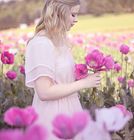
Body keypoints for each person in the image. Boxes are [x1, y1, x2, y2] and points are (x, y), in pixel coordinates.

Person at [25, 0, 101, 139]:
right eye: (73, 14)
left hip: (70, 108)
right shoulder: (41, 43)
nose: (76, 20)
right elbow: (45, 92)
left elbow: (60, 78)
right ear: (59, 12)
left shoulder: (59, 40)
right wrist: (84, 84)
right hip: (53, 115)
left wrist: (82, 75)